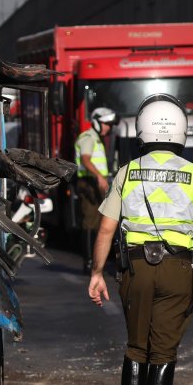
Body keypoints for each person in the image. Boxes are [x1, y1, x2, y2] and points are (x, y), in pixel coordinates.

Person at [86, 94, 193, 385]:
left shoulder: (127, 172)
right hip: (178, 270)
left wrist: (97, 272)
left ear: (142, 130)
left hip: (135, 269)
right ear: (180, 131)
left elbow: (105, 229)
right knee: (163, 351)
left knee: (136, 349)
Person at [76, 106, 117, 273]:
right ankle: (88, 262)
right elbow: (85, 160)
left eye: (110, 124)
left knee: (101, 221)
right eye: (106, 124)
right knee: (90, 222)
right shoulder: (88, 138)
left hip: (95, 183)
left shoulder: (97, 138)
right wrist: (99, 176)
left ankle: (97, 260)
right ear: (97, 122)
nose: (108, 127)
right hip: (89, 183)